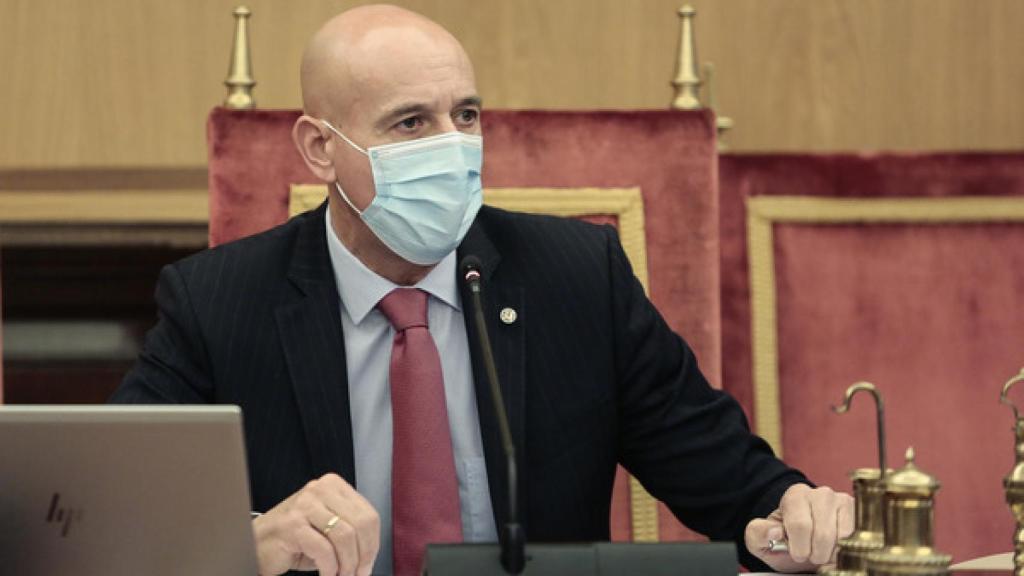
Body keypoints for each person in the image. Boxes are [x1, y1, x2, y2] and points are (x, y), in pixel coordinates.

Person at [111, 5, 853, 576]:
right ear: (320, 150)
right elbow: (113, 510)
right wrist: (247, 541)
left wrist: (788, 513)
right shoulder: (218, 301)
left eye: (465, 115)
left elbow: (730, 479)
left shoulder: (574, 278)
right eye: (411, 122)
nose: (454, 147)